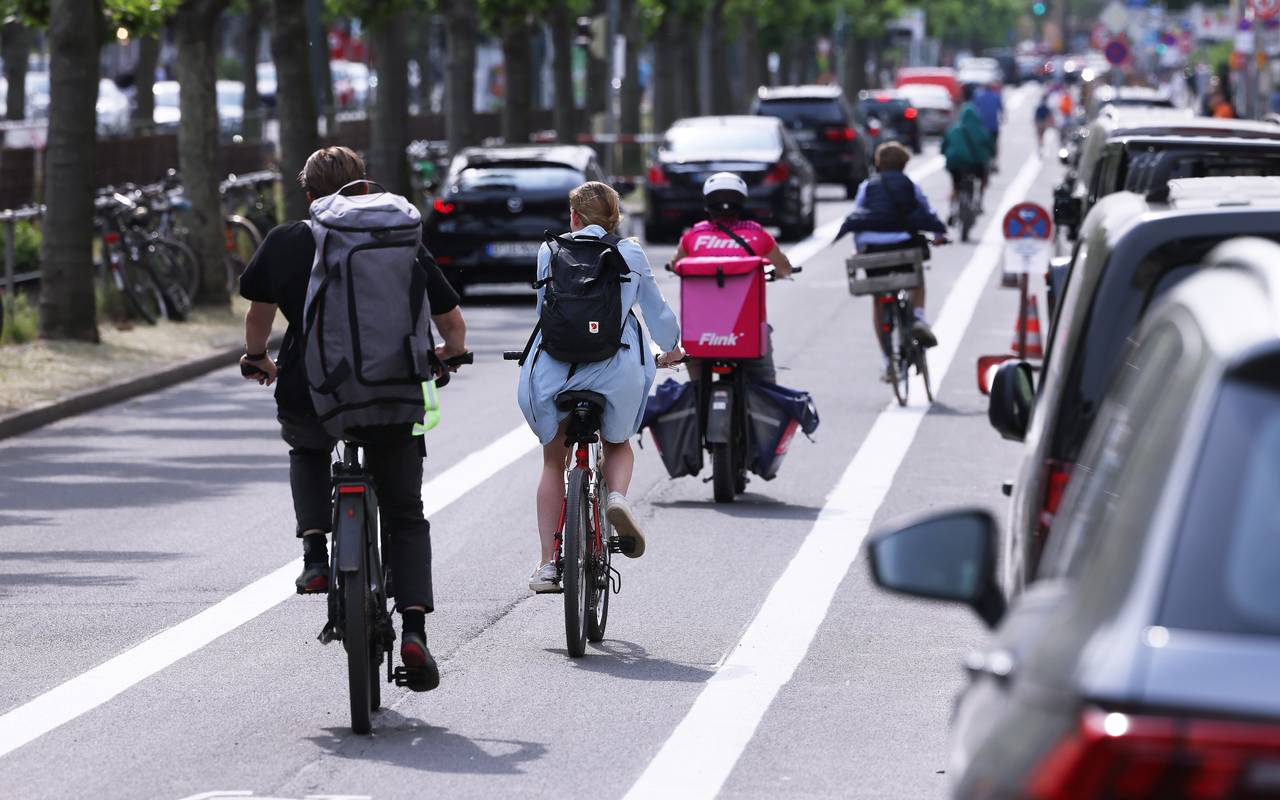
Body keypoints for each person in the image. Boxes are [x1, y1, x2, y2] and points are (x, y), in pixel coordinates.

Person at [238, 146, 469, 688]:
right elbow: (451, 322)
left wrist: (257, 357)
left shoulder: (289, 239)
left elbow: (259, 313)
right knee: (404, 513)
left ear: (309, 194)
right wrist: (448, 356)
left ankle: (316, 553)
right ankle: (414, 629)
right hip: (391, 389)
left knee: (309, 447)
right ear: (364, 186)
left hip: (310, 388)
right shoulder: (396, 238)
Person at [518, 181, 683, 593]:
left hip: (556, 370)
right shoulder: (629, 251)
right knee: (616, 442)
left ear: (572, 217)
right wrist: (672, 349)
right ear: (616, 217)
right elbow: (656, 311)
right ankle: (616, 499)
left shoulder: (550, 250)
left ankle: (546, 564)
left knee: (553, 460)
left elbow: (544, 312)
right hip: (616, 369)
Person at [671, 172, 795, 385]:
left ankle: (696, 395)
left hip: (702, 333)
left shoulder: (693, 236)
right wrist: (782, 272)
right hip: (745, 334)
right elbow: (784, 267)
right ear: (741, 203)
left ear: (708, 204)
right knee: (765, 383)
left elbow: (675, 265)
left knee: (693, 364)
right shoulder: (757, 234)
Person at [837, 142, 947, 376]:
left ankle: (888, 361)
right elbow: (927, 211)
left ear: (878, 163)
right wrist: (938, 235)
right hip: (903, 245)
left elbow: (858, 216)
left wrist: (860, 248)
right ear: (904, 164)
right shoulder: (910, 185)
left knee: (879, 299)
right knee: (916, 278)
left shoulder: (867, 187)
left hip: (873, 251)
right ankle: (918, 318)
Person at [940, 104, 994, 223]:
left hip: (955, 164)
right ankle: (979, 201)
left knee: (955, 186)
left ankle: (952, 210)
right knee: (983, 179)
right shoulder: (981, 130)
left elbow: (943, 147)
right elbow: (991, 147)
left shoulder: (953, 129)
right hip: (976, 165)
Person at [971, 83, 1003, 163]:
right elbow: (1001, 109)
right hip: (993, 126)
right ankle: (994, 160)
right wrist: (1002, 118)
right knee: (994, 143)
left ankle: (980, 158)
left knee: (980, 142)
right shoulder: (995, 96)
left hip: (981, 126)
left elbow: (973, 108)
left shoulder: (978, 96)